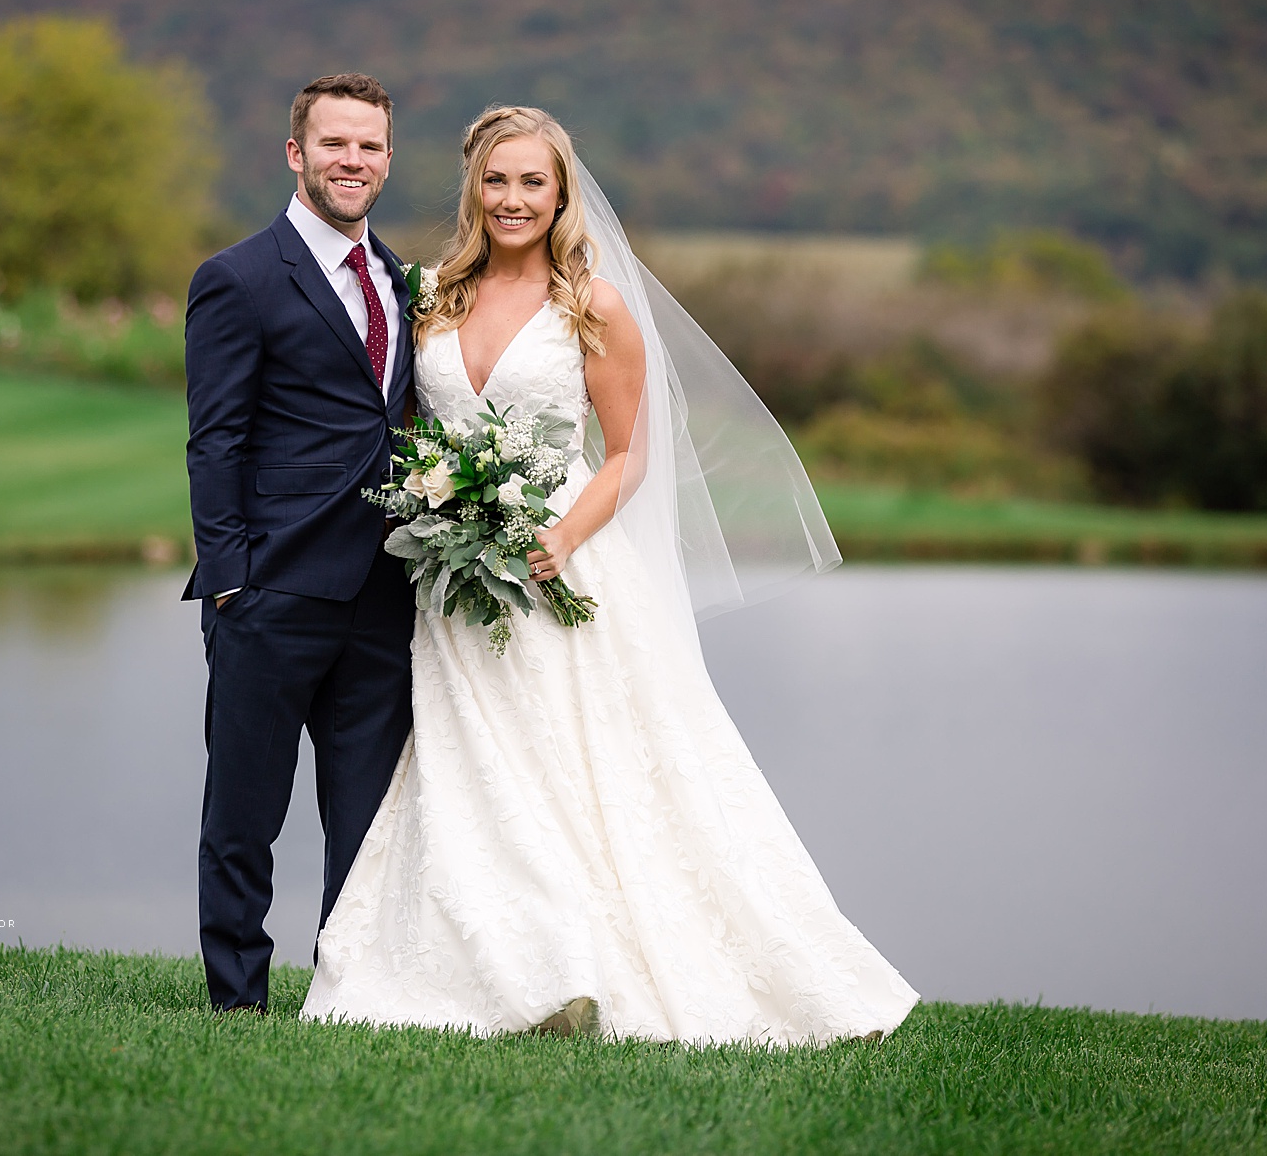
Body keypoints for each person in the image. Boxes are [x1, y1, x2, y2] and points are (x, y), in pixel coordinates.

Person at [301, 106, 919, 1044]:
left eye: (532, 183)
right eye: (496, 181)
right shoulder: (430, 294)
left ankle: (620, 965)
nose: (512, 199)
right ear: (473, 187)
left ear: (561, 194)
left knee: (595, 768)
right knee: (479, 770)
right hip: (452, 581)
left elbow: (630, 452)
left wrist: (557, 536)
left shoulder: (591, 305)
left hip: (565, 570)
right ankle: (533, 967)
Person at [183, 73, 417, 1012]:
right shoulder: (238, 277)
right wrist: (231, 578)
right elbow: (215, 439)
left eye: (368, 146)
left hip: (382, 595)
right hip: (271, 591)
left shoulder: (401, 277)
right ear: (296, 153)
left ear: (388, 159)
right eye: (334, 144)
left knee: (364, 821)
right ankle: (238, 999)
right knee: (244, 814)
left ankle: (347, 993)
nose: (351, 161)